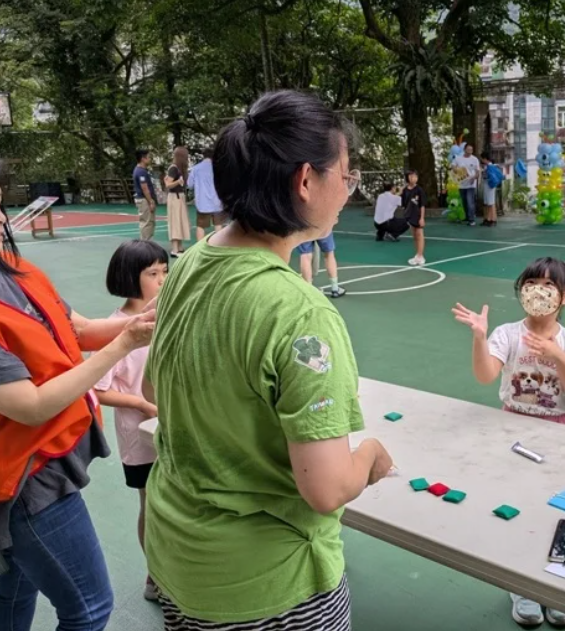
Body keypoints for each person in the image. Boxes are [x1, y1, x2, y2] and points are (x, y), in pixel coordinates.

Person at [141, 91, 392, 631]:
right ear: (306, 181)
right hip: (267, 583)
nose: (349, 191)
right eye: (346, 175)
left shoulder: (188, 263)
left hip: (178, 553)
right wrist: (369, 454)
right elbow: (324, 490)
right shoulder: (301, 313)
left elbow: (155, 390)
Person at [0, 148, 155, 631]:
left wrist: (145, 320)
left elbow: (77, 329)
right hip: (22, 482)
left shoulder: (10, 270)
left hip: (44, 460)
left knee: (17, 583)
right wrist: (125, 341)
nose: (1, 218)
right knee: (88, 609)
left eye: (1, 202)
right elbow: (32, 405)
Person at [452, 257, 565, 628]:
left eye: (548, 286)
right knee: (517, 505)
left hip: (563, 432)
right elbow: (486, 374)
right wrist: (480, 337)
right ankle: (522, 585)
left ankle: (563, 588)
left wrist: (556, 355)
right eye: (531, 283)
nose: (538, 291)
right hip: (513, 429)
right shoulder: (507, 334)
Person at [94, 239, 168, 601]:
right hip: (141, 440)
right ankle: (155, 576)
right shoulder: (116, 329)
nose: (162, 279)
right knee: (151, 506)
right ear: (128, 278)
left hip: (175, 431)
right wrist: (142, 404)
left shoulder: (168, 317)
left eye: (165, 271)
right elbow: (100, 390)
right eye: (152, 273)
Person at [188, 154, 224, 241]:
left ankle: (199, 248)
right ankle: (218, 247)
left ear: (203, 156)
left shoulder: (196, 168)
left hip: (202, 203)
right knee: (218, 225)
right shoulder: (219, 168)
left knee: (200, 226)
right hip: (217, 202)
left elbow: (189, 185)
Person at [298, 233, 346, 298]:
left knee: (305, 255)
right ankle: (335, 289)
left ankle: (308, 290)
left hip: (304, 226)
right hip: (322, 226)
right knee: (329, 254)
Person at [164, 146, 192, 257]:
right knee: (175, 222)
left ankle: (179, 247)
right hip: (174, 197)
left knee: (180, 221)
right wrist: (178, 182)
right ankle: (174, 250)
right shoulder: (173, 168)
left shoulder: (179, 169)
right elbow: (168, 185)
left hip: (179, 197)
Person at [402, 169, 427, 266]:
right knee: (415, 236)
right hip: (410, 215)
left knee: (420, 234)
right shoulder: (405, 190)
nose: (414, 178)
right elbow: (404, 203)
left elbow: (422, 205)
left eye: (415, 176)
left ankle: (421, 256)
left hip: (418, 215)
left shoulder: (419, 190)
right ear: (407, 177)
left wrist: (422, 218)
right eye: (411, 176)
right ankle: (417, 255)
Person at [453, 142, 481, 226]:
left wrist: (474, 178)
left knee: (470, 202)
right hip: (461, 184)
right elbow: (453, 166)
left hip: (471, 184)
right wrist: (456, 170)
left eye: (471, 149)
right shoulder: (458, 158)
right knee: (464, 202)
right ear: (465, 149)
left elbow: (477, 172)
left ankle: (471, 220)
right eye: (468, 149)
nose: (470, 151)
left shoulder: (475, 159)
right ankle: (467, 217)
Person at [134, 149, 158, 240]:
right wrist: (151, 201)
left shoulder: (142, 170)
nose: (150, 159)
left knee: (150, 222)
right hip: (144, 200)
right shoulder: (141, 172)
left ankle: (147, 243)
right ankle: (145, 244)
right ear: (143, 159)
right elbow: (144, 188)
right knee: (146, 222)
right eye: (148, 157)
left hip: (144, 199)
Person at [480, 152, 500, 227]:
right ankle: (488, 219)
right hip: (488, 186)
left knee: (491, 203)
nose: (481, 160)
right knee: (488, 203)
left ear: (485, 158)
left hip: (490, 186)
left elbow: (486, 177)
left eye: (482, 158)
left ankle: (493, 219)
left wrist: (482, 171)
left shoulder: (490, 166)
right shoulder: (488, 166)